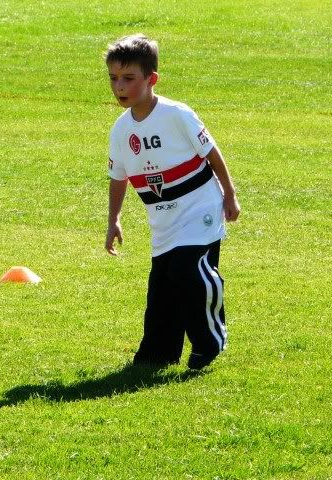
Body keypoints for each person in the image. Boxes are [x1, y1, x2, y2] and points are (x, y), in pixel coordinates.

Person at [104, 34, 241, 370]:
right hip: (163, 220)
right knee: (162, 288)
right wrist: (113, 219)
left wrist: (229, 193)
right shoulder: (121, 131)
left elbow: (211, 152)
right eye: (113, 78)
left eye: (128, 78)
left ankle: (209, 342)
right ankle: (158, 354)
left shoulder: (176, 114)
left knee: (187, 271)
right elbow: (118, 177)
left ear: (152, 79)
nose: (119, 86)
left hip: (200, 207)